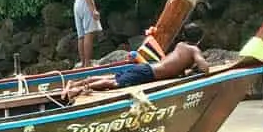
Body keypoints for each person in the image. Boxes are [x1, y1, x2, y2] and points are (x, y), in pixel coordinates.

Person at [63, 42, 211, 98]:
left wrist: (188, 71)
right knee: (113, 83)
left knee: (113, 78)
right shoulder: (193, 50)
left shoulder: (180, 46)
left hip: (147, 67)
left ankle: (75, 83)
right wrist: (198, 61)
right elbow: (205, 69)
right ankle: (81, 89)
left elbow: (174, 68)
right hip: (148, 73)